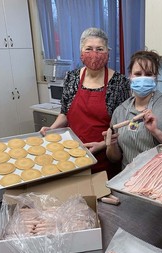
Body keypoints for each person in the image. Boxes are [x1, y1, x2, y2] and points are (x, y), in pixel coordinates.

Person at [40, 27, 130, 178]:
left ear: (107, 52)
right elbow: (65, 114)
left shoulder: (119, 82)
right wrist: (52, 129)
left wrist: (102, 144)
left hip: (104, 158)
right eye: (89, 49)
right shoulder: (72, 77)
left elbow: (123, 127)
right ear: (81, 51)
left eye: (99, 49)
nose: (94, 54)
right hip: (72, 155)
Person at [105, 50, 162, 169]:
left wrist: (156, 132)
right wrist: (112, 145)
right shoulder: (120, 111)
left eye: (148, 74)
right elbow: (114, 158)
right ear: (130, 75)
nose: (143, 78)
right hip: (128, 180)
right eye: (138, 74)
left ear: (155, 77)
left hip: (161, 179)